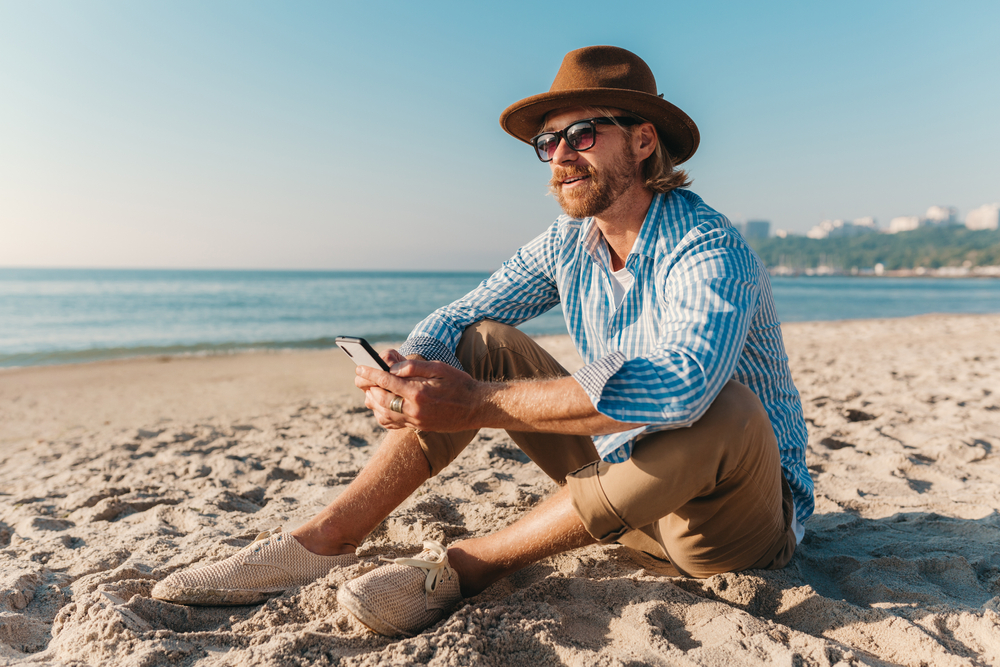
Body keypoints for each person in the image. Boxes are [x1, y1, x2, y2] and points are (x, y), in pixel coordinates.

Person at [152, 45, 813, 639]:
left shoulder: (707, 246)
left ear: (643, 142)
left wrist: (474, 404)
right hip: (621, 490)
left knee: (722, 405)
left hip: (727, 527)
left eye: (582, 134)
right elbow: (456, 317)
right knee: (481, 339)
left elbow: (683, 385)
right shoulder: (569, 242)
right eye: (548, 142)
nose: (560, 156)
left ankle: (466, 568)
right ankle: (327, 537)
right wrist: (406, 378)